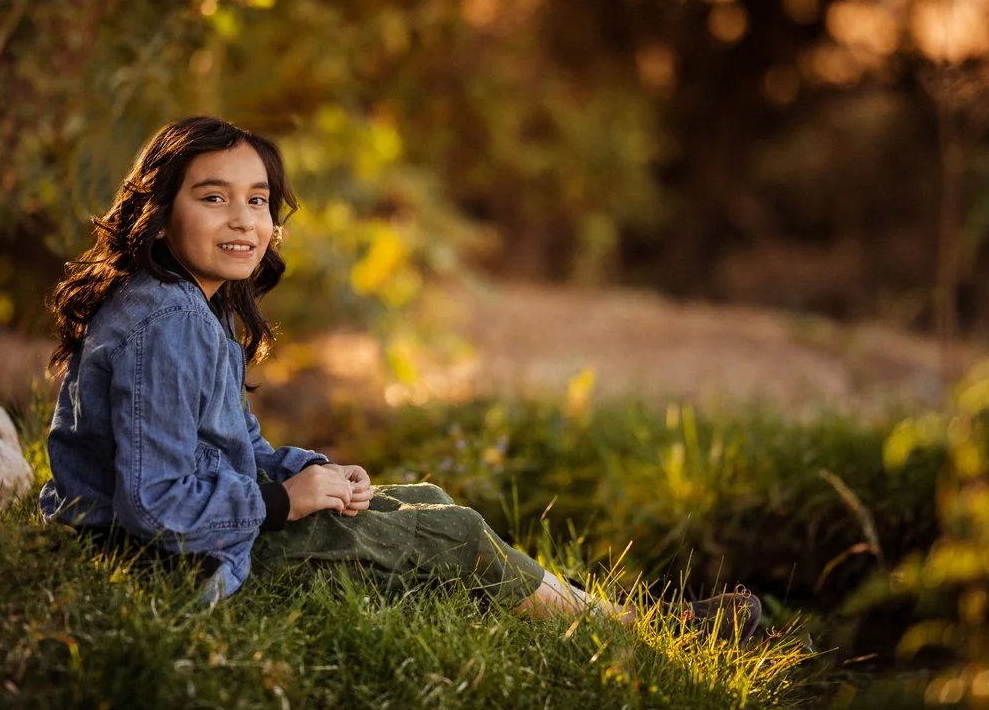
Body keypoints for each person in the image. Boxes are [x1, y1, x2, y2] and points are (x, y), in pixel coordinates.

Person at [38, 116, 761, 640]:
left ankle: (616, 617)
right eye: (213, 197)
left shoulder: (189, 305)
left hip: (200, 526)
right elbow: (156, 505)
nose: (244, 219)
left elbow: (226, 443)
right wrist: (282, 502)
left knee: (423, 499)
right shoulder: (166, 323)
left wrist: (313, 472)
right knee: (452, 536)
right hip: (162, 560)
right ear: (161, 215)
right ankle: (637, 631)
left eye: (257, 199)